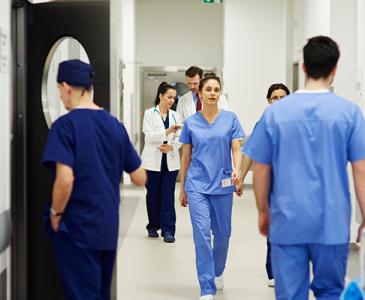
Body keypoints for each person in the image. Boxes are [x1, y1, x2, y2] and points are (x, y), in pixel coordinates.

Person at [243, 36, 365, 300]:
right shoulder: (349, 113)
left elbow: (261, 169)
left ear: (305, 68)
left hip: (287, 222)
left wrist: (263, 211)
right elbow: (361, 171)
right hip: (331, 223)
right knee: (331, 291)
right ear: (334, 70)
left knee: (289, 295)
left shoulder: (275, 114)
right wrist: (364, 216)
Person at [42, 59, 146, 300]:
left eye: (59, 91)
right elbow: (140, 177)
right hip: (107, 227)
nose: (61, 97)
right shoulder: (115, 126)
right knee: (100, 293)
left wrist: (56, 213)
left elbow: (65, 180)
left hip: (77, 228)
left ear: (67, 87)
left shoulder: (65, 126)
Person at [179, 73, 244, 300]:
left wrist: (238, 170)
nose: (213, 94)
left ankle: (217, 271)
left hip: (223, 183)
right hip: (196, 184)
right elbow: (185, 158)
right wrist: (182, 188)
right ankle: (206, 286)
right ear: (201, 93)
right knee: (202, 234)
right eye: (209, 90)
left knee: (223, 234)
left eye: (216, 90)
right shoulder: (191, 123)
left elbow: (236, 149)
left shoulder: (230, 119)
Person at [236, 82, 290, 288]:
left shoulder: (296, 121)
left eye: (282, 97)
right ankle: (274, 270)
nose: (278, 101)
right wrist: (240, 177)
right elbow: (250, 150)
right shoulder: (265, 123)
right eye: (274, 97)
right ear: (268, 100)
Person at [141, 82, 182, 243]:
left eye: (174, 97)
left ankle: (168, 230)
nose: (172, 100)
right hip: (152, 162)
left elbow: (181, 137)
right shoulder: (150, 113)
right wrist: (167, 131)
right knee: (153, 196)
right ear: (160, 96)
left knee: (167, 197)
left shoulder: (175, 115)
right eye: (169, 97)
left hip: (170, 162)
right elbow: (149, 137)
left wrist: (172, 146)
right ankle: (152, 226)